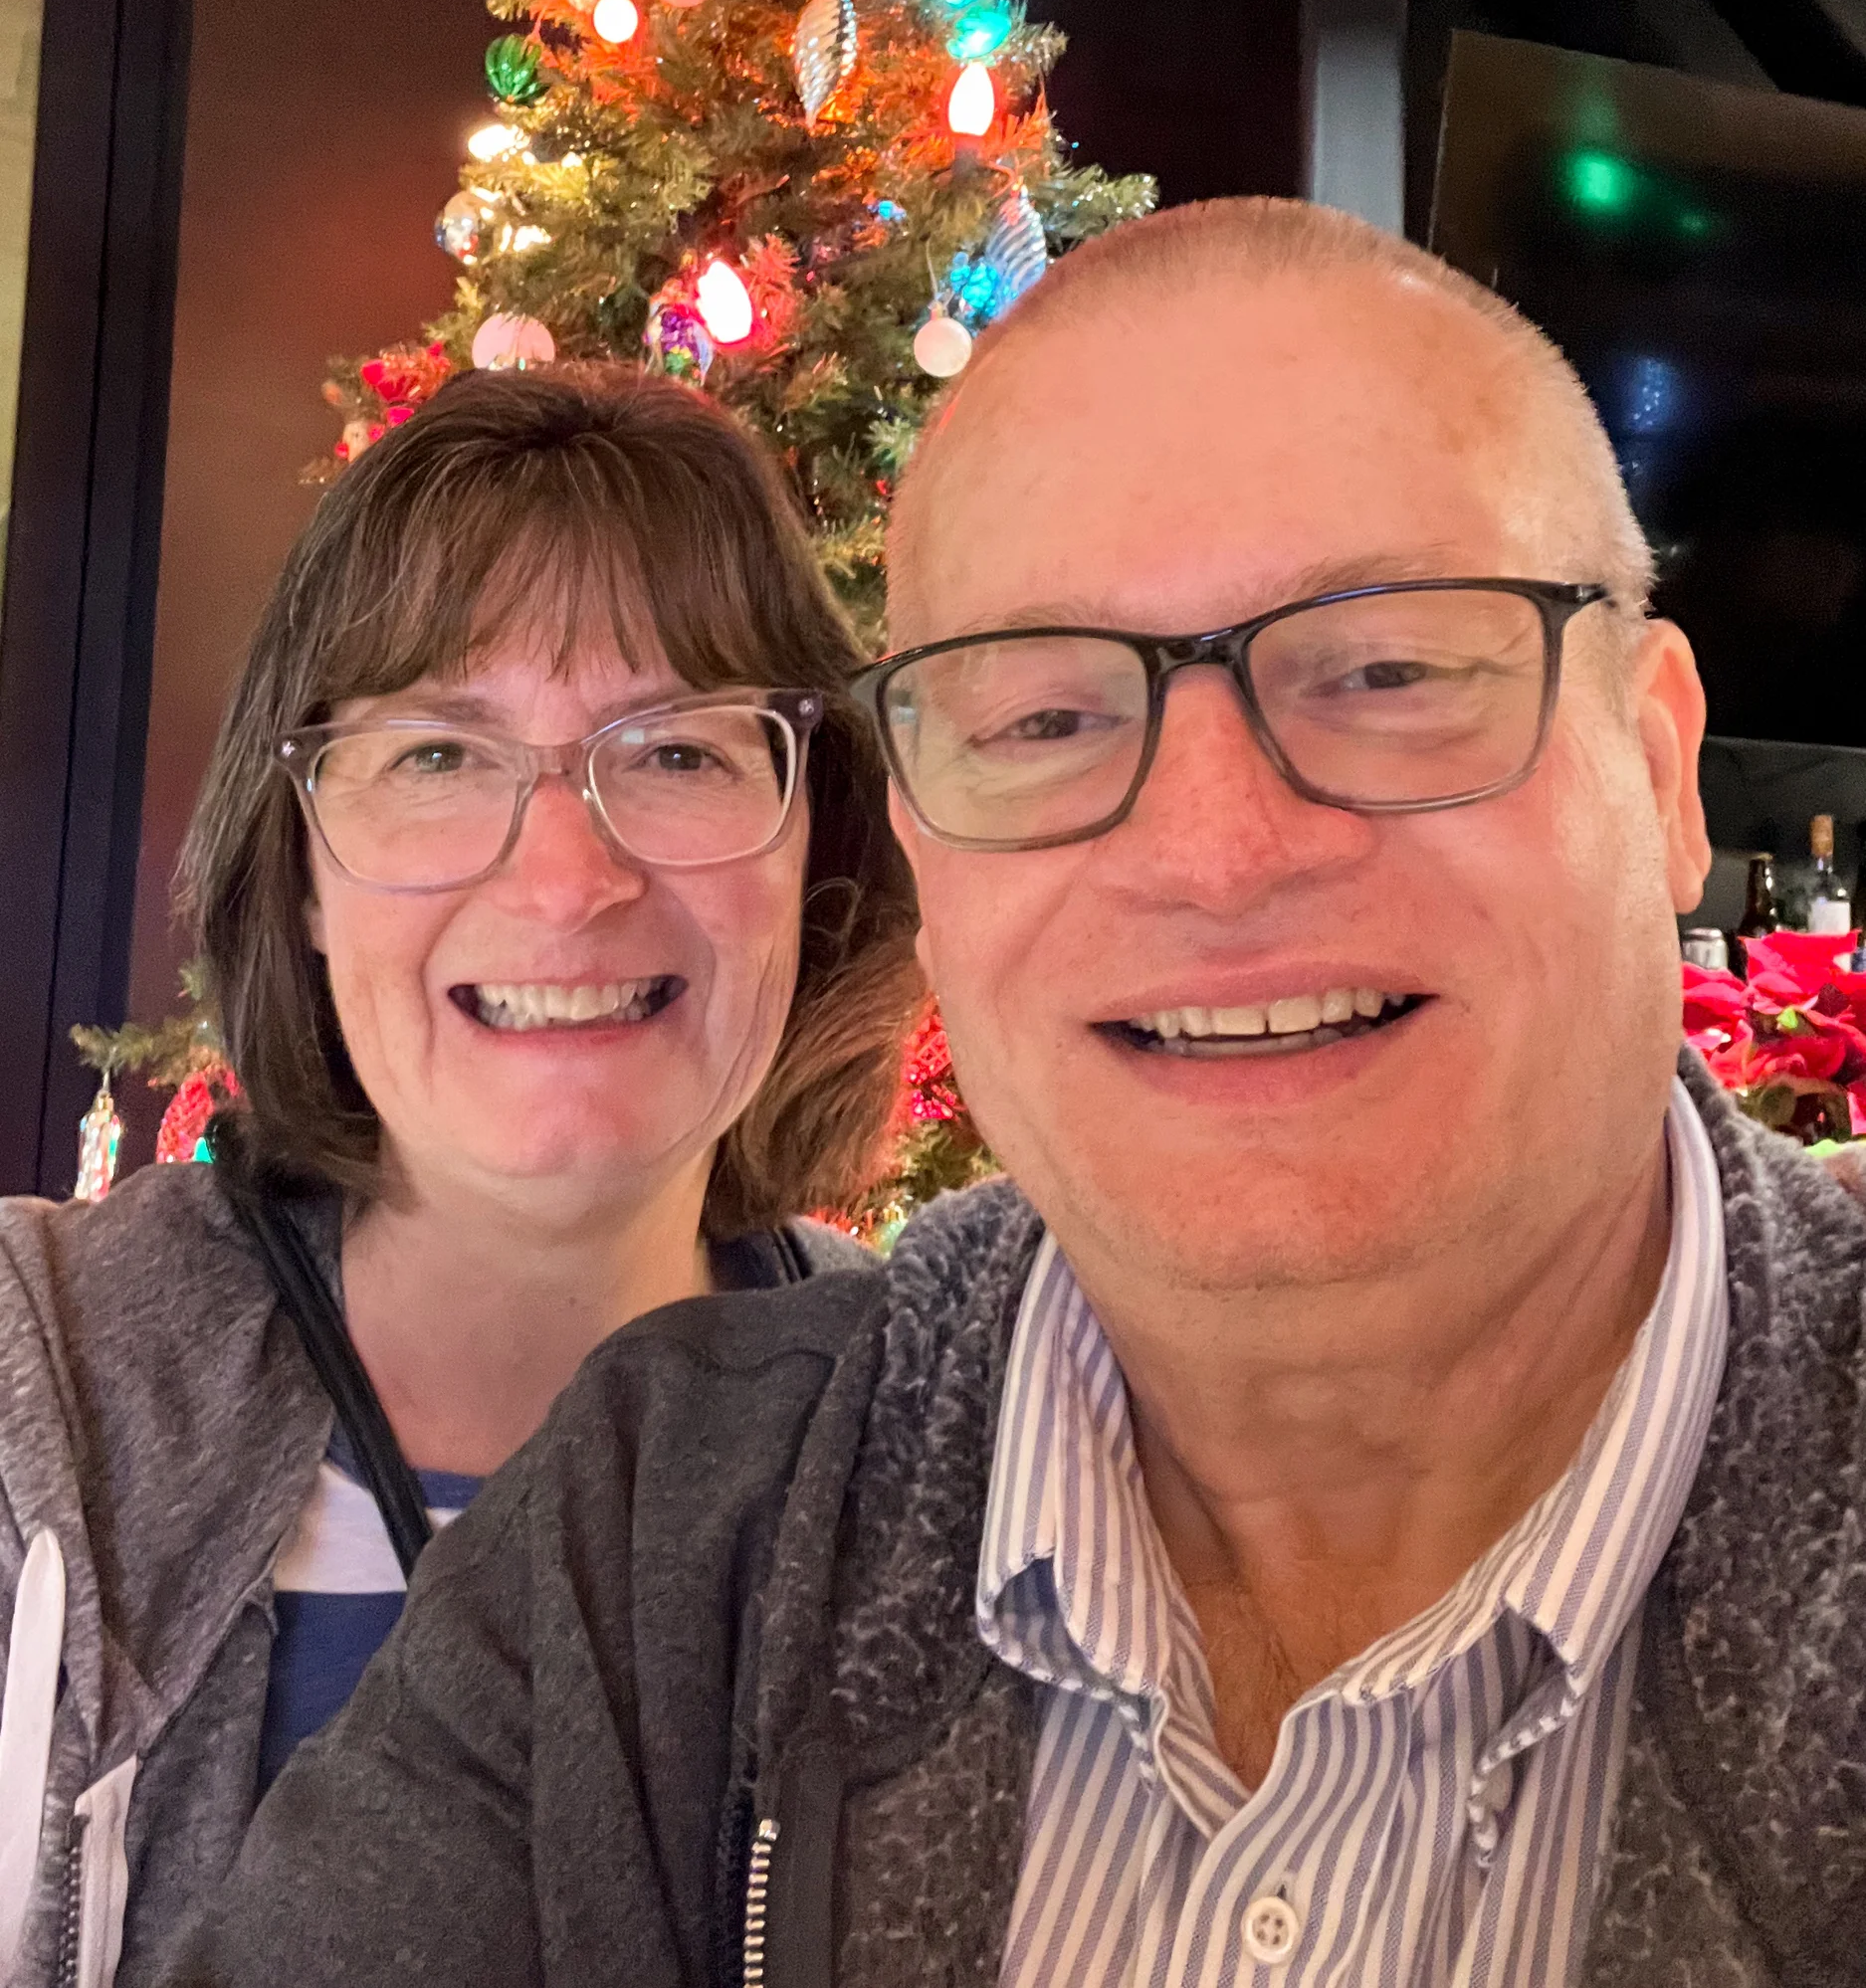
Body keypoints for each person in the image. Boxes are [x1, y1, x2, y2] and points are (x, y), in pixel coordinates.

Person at [154, 201, 1866, 1988]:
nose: (1213, 854)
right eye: (1044, 718)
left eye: (1384, 671)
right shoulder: (661, 1533)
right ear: (917, 839)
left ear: (1659, 765)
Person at [0, 364, 917, 1988]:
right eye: (436, 754)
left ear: (815, 852)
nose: (567, 881)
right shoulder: (34, 1393)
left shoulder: (946, 1438)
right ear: (298, 876)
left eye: (680, 752)